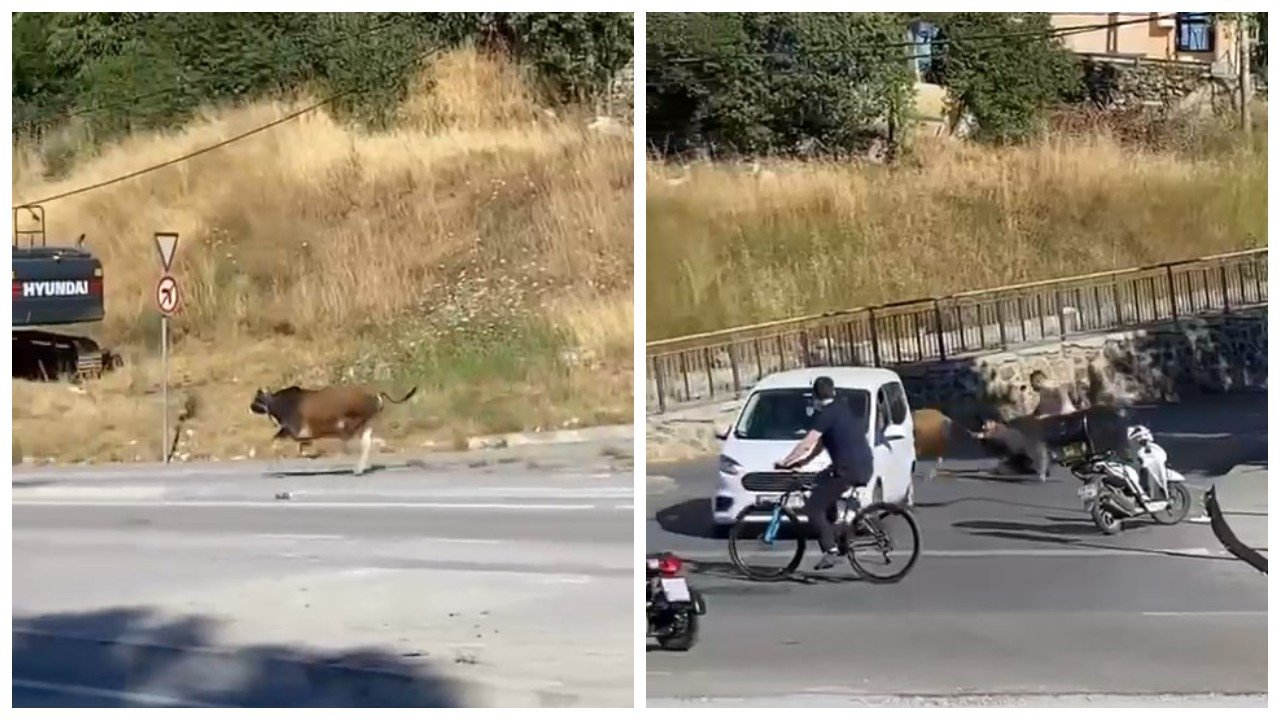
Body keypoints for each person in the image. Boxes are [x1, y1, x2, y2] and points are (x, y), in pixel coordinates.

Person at [774, 376, 874, 571]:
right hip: (862, 464)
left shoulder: (826, 414)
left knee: (812, 508)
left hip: (848, 469)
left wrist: (786, 462)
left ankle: (830, 551)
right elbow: (819, 447)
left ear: (815, 396)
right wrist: (801, 463)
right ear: (833, 391)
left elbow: (808, 442)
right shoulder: (841, 408)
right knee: (821, 480)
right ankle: (836, 529)